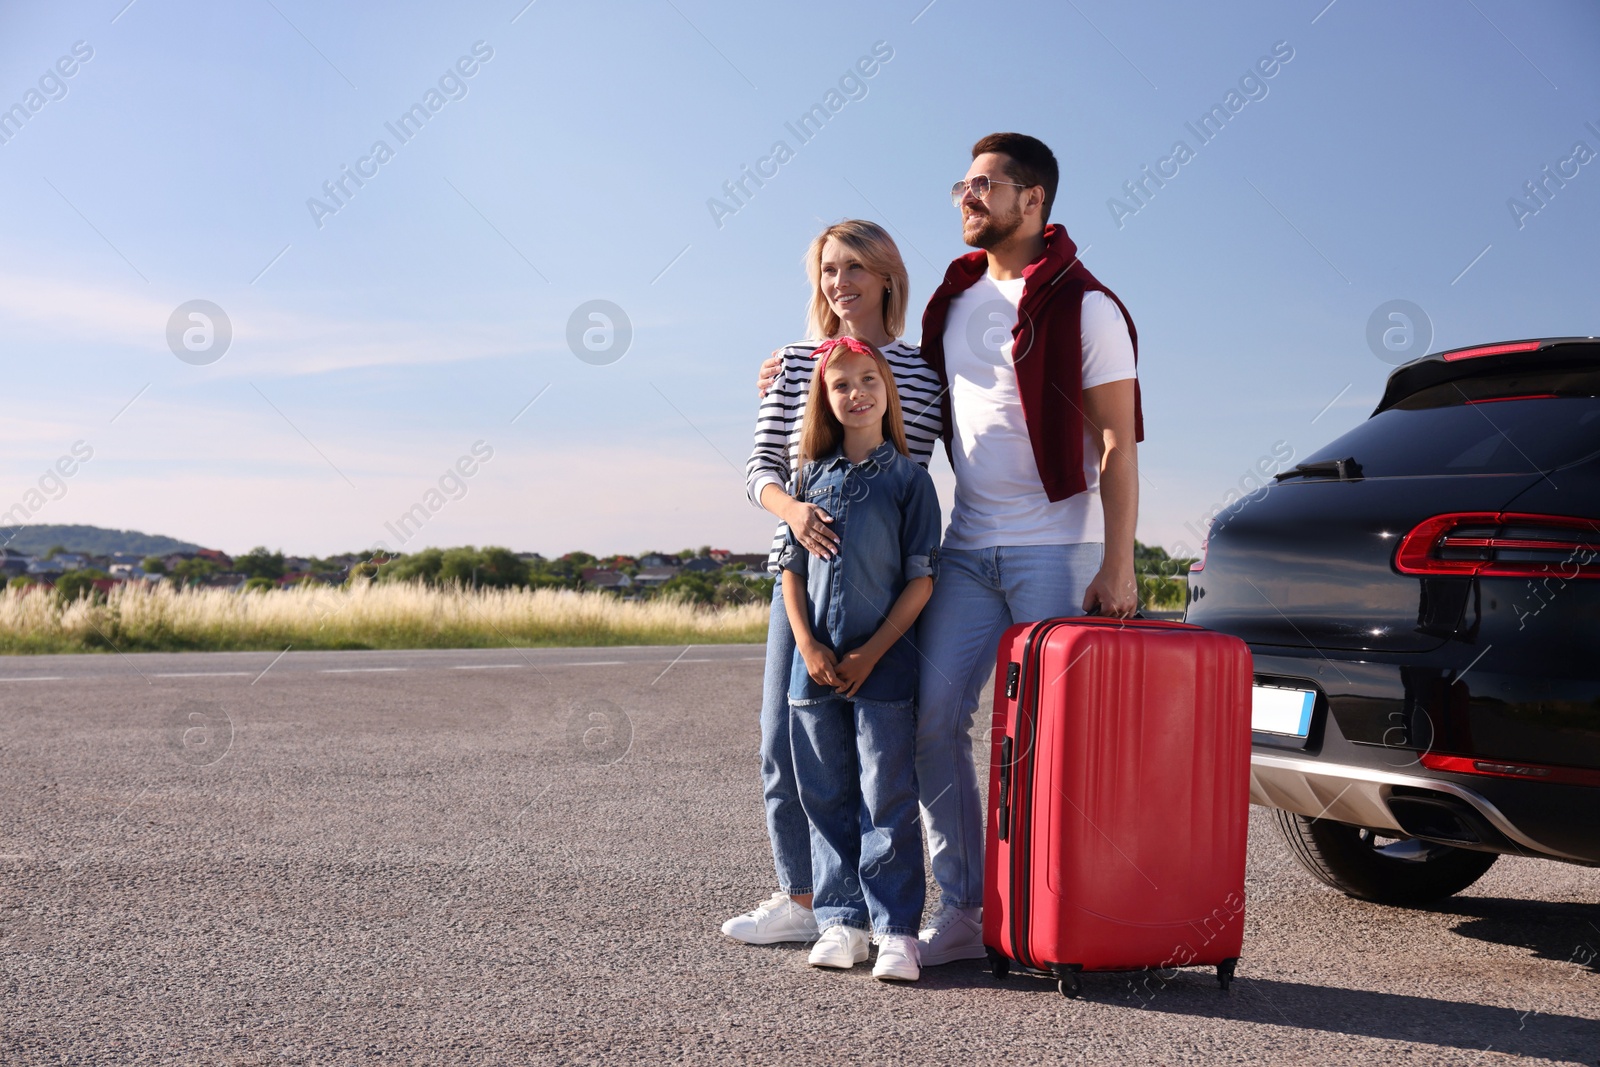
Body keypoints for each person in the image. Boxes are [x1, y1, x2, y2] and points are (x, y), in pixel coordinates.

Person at [911, 132, 1143, 965]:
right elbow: (882, 368)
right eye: (961, 187)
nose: (966, 198)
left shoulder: (1089, 305)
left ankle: (1057, 913)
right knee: (932, 721)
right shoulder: (955, 297)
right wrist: (801, 360)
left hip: (1055, 550)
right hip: (968, 546)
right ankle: (969, 909)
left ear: (1033, 199)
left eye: (984, 186)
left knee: (1051, 741)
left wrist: (1119, 562)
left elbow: (1117, 442)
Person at [723, 220, 943, 946]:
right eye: (826, 271)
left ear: (885, 276)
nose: (838, 283)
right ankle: (804, 897)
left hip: (885, 585)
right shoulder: (791, 362)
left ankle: (883, 914)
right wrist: (797, 512)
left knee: (881, 758)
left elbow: (911, 472)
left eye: (852, 268)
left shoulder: (917, 371)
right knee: (784, 740)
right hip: (801, 576)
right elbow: (760, 469)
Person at [778, 335, 940, 981]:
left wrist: (872, 652)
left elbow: (921, 579)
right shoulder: (806, 477)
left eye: (868, 380)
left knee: (887, 795)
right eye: (840, 384)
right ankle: (840, 919)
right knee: (826, 793)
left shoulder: (909, 481)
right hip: (812, 669)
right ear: (825, 397)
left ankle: (896, 927)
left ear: (887, 390)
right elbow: (788, 572)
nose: (856, 394)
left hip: (885, 667)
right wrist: (810, 644)